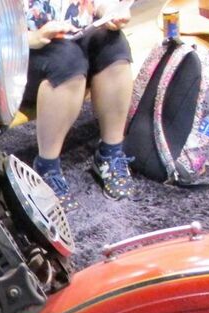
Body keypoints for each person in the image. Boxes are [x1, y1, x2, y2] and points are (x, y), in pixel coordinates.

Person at [24, 0, 136, 210]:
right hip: (20, 52)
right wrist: (32, 37)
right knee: (68, 61)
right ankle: (46, 168)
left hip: (75, 37)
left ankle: (110, 153)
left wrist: (111, 12)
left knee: (114, 45)